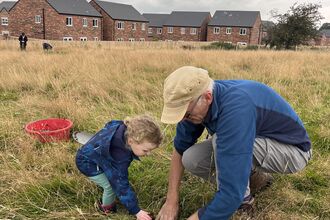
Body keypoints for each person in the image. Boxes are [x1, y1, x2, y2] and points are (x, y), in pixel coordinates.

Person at [157, 66, 311, 220]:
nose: (184, 119)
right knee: (192, 159)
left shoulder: (235, 109)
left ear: (208, 97)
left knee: (221, 141)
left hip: (293, 151)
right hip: (254, 140)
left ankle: (244, 202)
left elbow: (230, 195)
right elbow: (180, 150)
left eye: (186, 114)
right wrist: (171, 201)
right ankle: (258, 179)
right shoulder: (196, 104)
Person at [76, 115, 163, 220]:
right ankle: (106, 209)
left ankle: (104, 167)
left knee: (113, 178)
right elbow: (121, 185)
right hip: (87, 163)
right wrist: (136, 210)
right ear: (131, 141)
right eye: (145, 150)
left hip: (93, 155)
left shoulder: (122, 126)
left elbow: (109, 124)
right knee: (110, 187)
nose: (148, 154)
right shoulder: (119, 157)